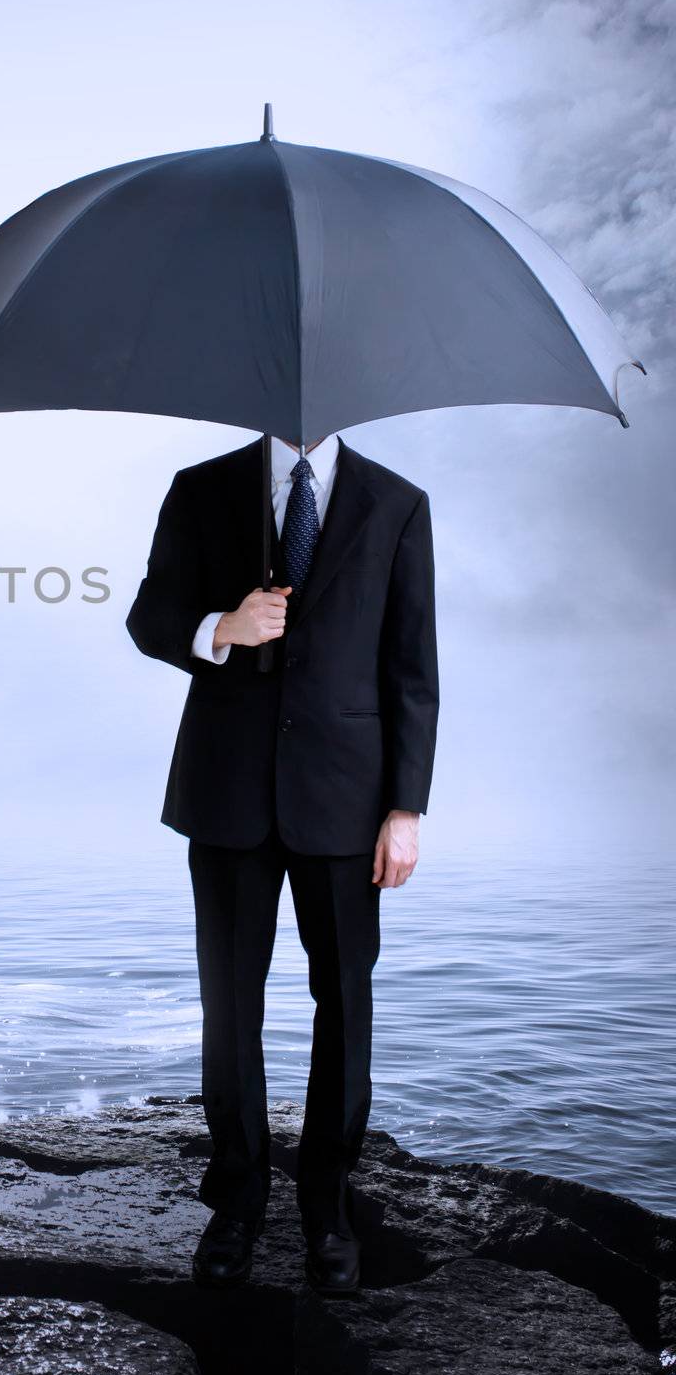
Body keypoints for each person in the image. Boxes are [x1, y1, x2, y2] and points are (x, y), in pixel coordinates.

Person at [125, 431, 438, 1297]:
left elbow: (412, 668)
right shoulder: (200, 488)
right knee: (230, 1005)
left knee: (344, 1004)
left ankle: (329, 1207)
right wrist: (223, 626)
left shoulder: (396, 502)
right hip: (226, 796)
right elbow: (148, 617)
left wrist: (405, 809)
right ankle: (237, 1201)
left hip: (347, 799)